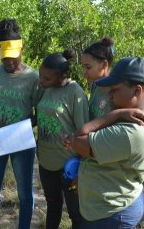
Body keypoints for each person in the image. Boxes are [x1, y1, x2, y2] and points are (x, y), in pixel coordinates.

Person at [64, 57, 144, 229]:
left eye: (115, 89)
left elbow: (78, 139)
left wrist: (114, 115)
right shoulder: (140, 116)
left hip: (111, 215)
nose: (109, 94)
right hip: (109, 206)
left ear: (137, 91)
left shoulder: (132, 131)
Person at [0, 18, 40, 229]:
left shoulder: (33, 78)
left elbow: (38, 113)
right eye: (5, 58)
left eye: (13, 58)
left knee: (25, 192)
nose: (10, 63)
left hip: (22, 142)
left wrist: (23, 128)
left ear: (21, 50)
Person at [37, 50, 89, 229]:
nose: (41, 81)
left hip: (68, 166)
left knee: (76, 213)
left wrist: (82, 165)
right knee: (52, 205)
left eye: (46, 78)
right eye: (40, 75)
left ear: (62, 77)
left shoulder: (75, 93)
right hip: (45, 162)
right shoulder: (45, 89)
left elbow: (84, 132)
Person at [81, 37, 114, 119]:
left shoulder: (116, 91)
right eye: (83, 67)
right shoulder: (95, 85)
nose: (84, 72)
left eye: (88, 67)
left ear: (104, 65)